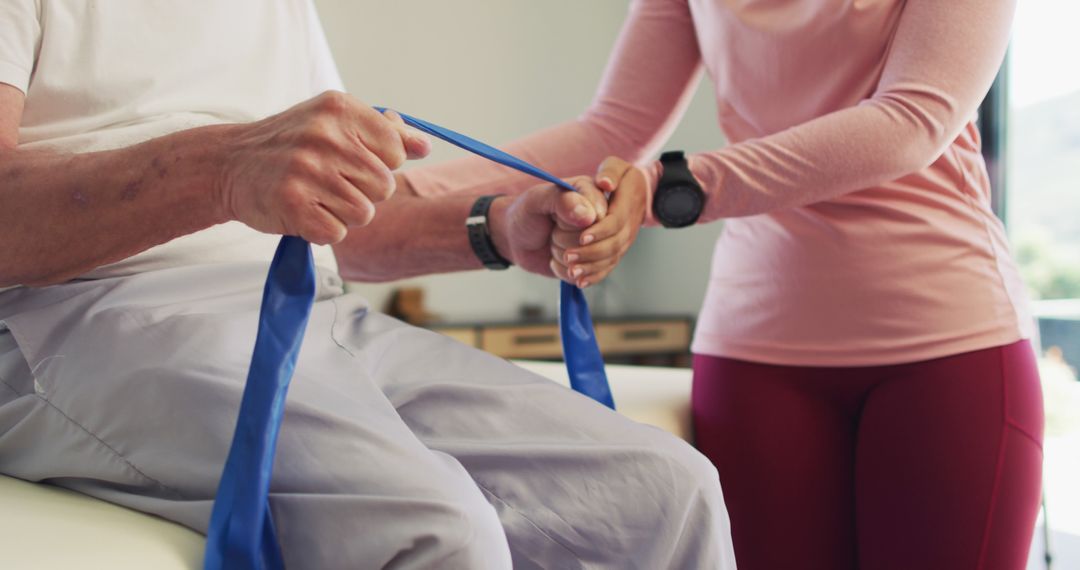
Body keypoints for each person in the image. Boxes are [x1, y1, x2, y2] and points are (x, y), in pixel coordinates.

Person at [0, 1, 736, 568]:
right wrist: (221, 169)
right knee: (432, 528)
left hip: (304, 313)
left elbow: (335, 216)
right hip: (75, 317)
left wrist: (500, 227)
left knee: (666, 492)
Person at [396, 0, 1043, 568]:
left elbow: (910, 122)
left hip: (945, 344)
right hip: (756, 352)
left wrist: (665, 187)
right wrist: (402, 193)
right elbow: (612, 130)